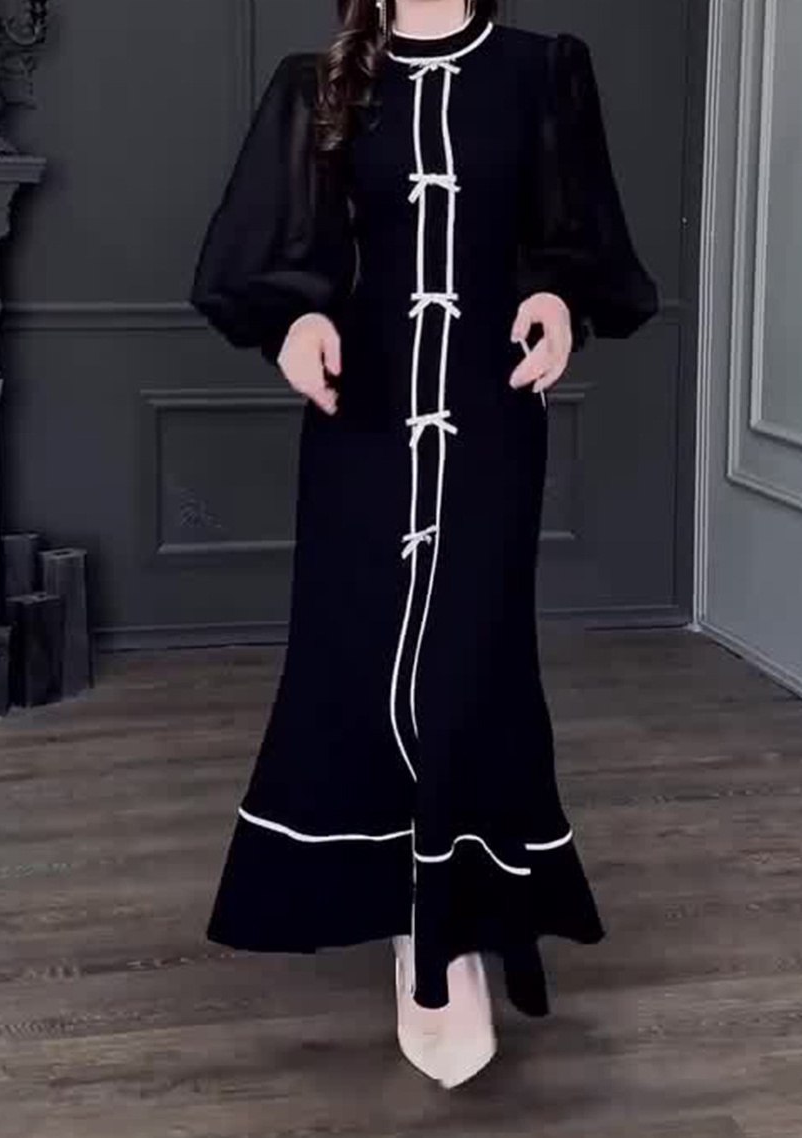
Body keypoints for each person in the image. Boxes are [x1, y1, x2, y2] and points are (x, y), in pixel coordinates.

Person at [190, 0, 658, 1089]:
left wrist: (555, 300)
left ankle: (451, 919)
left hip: (490, 424)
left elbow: (572, 235)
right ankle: (412, 915)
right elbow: (284, 250)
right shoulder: (318, 84)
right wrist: (295, 322)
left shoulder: (543, 71)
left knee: (470, 666)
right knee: (360, 660)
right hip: (360, 423)